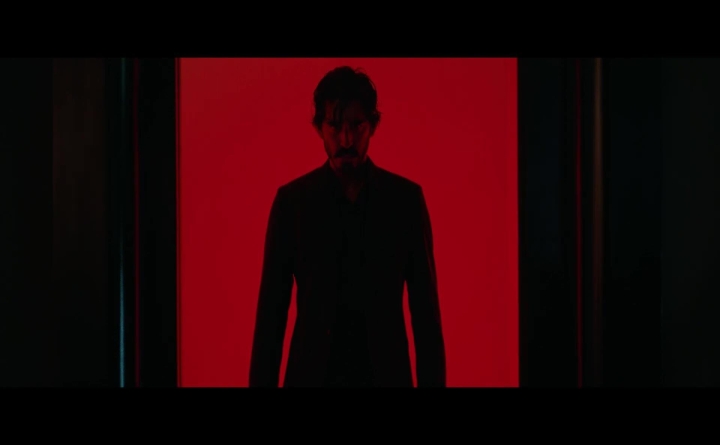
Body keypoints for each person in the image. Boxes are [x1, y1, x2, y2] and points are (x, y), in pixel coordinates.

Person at [248, 66, 445, 387]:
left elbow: (427, 318)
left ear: (372, 126)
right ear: (319, 127)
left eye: (357, 125)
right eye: (335, 126)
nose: (346, 139)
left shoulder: (405, 201)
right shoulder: (292, 203)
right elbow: (271, 318)